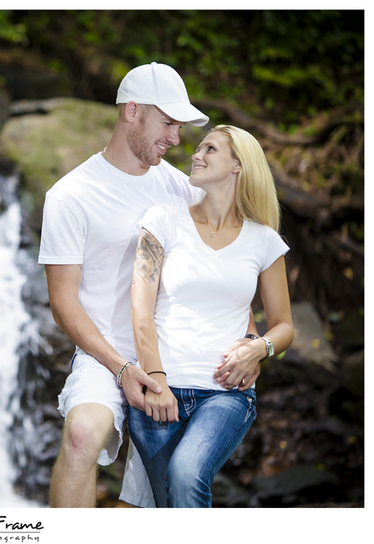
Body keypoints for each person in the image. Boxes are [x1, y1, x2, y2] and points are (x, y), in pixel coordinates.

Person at [38, 63, 260, 508]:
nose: (176, 139)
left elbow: (226, 267)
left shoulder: (182, 191)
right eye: (169, 123)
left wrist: (250, 339)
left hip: (177, 362)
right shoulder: (70, 195)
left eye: (180, 127)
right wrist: (121, 368)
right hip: (106, 357)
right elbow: (63, 303)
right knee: (82, 435)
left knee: (146, 505)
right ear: (132, 110)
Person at [128, 124, 294, 508]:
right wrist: (155, 381)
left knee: (187, 473)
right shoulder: (162, 220)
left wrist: (260, 348)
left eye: (210, 149)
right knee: (168, 506)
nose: (195, 154)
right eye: (198, 148)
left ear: (238, 166)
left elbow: (284, 326)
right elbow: (140, 309)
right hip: (158, 393)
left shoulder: (265, 241)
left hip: (226, 394)